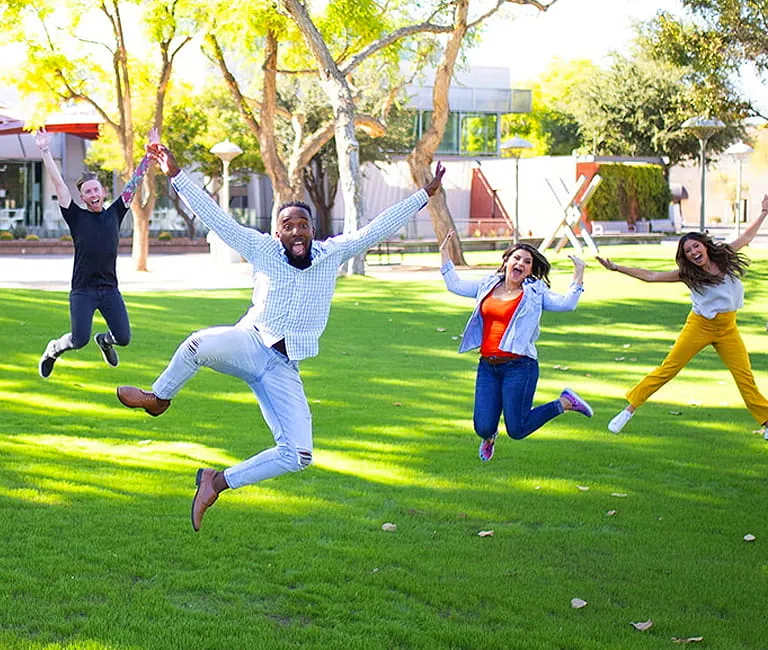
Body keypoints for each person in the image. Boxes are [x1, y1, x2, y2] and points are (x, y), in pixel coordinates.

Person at [116, 142, 445, 532]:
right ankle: (158, 399)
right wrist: (176, 175)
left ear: (312, 230)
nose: (296, 232)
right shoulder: (263, 249)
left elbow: (378, 227)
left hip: (283, 366)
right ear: (278, 232)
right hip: (251, 343)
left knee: (299, 454)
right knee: (196, 344)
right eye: (287, 226)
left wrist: (425, 193)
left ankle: (217, 481)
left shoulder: (332, 254)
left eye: (302, 225)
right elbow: (217, 220)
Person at [596, 195, 768, 436]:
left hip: (728, 327)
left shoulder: (725, 256)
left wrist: (763, 212)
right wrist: (617, 268)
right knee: (669, 367)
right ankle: (629, 408)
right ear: (686, 257)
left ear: (705, 246)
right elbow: (651, 276)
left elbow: (747, 237)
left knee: (744, 376)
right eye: (688, 251)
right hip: (700, 325)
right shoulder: (688, 274)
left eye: (696, 246)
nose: (694, 252)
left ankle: (767, 422)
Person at [439, 230, 593, 462]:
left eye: (527, 262)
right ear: (507, 261)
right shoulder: (488, 285)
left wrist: (578, 272)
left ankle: (565, 402)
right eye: (517, 258)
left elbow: (567, 304)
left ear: (530, 270)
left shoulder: (534, 292)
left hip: (520, 367)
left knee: (518, 429)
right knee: (482, 426)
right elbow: (454, 285)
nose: (520, 263)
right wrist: (444, 253)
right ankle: (489, 438)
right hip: (488, 366)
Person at [35, 127, 158, 378]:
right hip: (83, 290)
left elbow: (133, 183)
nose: (93, 194)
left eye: (96, 190)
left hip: (109, 289)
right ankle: (54, 349)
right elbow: (59, 183)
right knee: (79, 340)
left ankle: (104, 340)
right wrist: (46, 150)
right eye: (87, 191)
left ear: (103, 193)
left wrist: (148, 156)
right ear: (82, 197)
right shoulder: (75, 216)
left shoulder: (115, 212)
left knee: (123, 338)